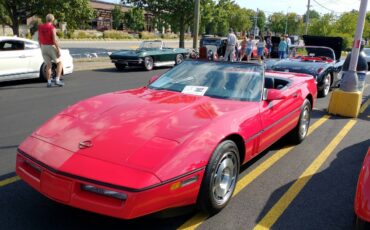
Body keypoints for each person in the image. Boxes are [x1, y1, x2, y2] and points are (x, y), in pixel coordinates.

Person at [38, 14, 64, 87]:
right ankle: (57, 80)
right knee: (59, 63)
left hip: (43, 47)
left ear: (46, 19)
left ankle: (49, 82)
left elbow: (39, 39)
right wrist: (58, 49)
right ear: (52, 20)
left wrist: (41, 47)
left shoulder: (40, 27)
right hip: (50, 46)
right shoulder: (52, 27)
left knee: (48, 65)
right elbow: (54, 40)